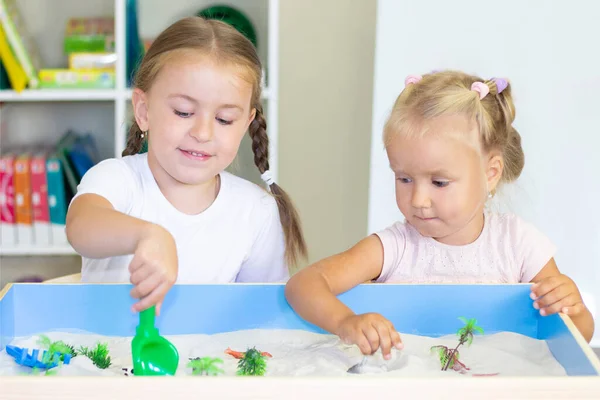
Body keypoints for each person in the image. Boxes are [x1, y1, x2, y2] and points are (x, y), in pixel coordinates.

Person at [285, 70, 594, 359]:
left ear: (491, 173)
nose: (418, 200)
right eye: (404, 178)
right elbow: (304, 284)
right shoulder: (395, 247)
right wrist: (345, 322)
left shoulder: (519, 245)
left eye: (439, 182)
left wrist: (572, 307)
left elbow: (574, 339)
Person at [66, 17, 306, 315]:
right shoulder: (117, 178)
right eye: (183, 112)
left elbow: (262, 317)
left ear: (246, 123)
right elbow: (80, 226)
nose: (203, 133)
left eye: (224, 119)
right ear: (143, 111)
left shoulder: (256, 211)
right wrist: (149, 235)